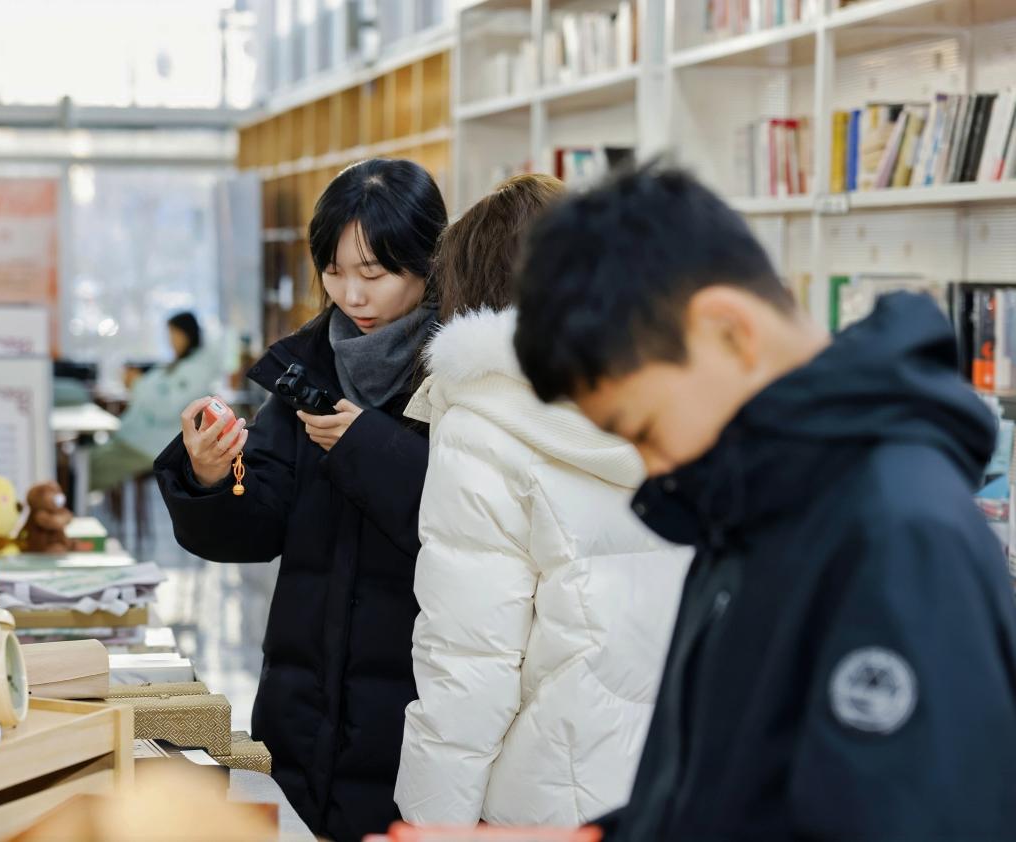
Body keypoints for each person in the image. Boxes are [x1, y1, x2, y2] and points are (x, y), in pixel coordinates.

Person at [513, 163, 1016, 840]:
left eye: (643, 429)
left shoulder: (899, 536)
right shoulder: (747, 501)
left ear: (729, 330)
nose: (651, 467)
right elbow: (723, 798)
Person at [155, 158, 447, 842]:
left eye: (374, 274)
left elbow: (464, 520)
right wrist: (210, 474)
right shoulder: (305, 370)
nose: (352, 294)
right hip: (301, 696)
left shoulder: (462, 371)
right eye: (335, 271)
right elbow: (254, 529)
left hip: (413, 702)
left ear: (428, 263)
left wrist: (366, 446)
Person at [394, 174, 690, 827]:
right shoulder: (690, 391)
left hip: (552, 792)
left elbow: (469, 659)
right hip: (685, 776)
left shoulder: (482, 421)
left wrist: (430, 824)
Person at [90, 312, 217, 491]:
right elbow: (152, 390)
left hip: (151, 445)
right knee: (87, 460)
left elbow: (166, 408)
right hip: (135, 438)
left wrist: (136, 383)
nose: (171, 340)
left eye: (175, 334)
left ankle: (67, 506)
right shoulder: (175, 365)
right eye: (170, 334)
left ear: (188, 334)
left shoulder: (195, 372)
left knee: (88, 469)